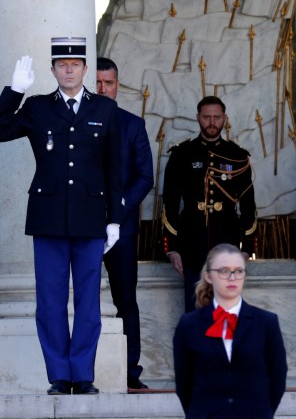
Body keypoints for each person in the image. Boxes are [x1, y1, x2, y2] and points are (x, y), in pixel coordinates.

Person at [0, 38, 124, 395]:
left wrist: (114, 218)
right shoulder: (38, 107)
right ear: (53, 70)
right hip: (49, 216)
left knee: (88, 301)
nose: (69, 70)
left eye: (75, 64)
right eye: (62, 65)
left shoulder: (104, 109)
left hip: (90, 217)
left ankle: (83, 374)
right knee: (51, 301)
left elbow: (114, 168)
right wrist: (14, 92)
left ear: (85, 69)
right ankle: (59, 375)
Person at [162, 96, 258, 312]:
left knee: (225, 309)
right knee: (194, 307)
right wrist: (172, 248)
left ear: (225, 118)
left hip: (228, 242)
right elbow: (169, 203)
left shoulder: (237, 155)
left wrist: (248, 248)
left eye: (217, 117)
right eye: (207, 117)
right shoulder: (181, 154)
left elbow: (248, 205)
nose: (212, 122)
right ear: (198, 118)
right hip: (191, 242)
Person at [173, 243, 287, 417]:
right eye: (224, 271)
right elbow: (184, 383)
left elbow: (277, 378)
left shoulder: (266, 322)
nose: (232, 277)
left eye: (239, 271)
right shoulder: (189, 324)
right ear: (209, 276)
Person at [96, 57, 154, 390]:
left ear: (118, 85)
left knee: (125, 300)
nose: (104, 89)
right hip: (83, 225)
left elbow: (144, 176)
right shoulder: (76, 122)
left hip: (124, 228)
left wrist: (119, 205)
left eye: (110, 83)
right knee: (82, 298)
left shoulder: (133, 124)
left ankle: (131, 372)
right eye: (99, 83)